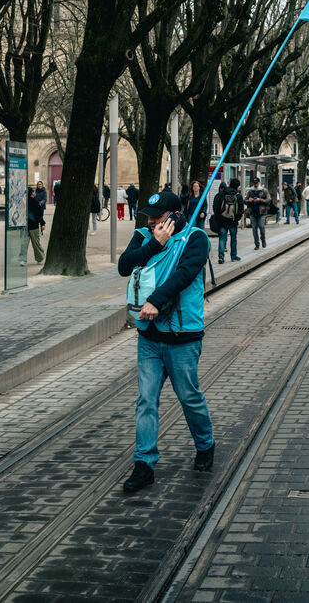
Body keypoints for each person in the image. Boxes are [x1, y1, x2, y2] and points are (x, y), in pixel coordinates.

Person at [117, 189, 215, 493]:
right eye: (148, 216)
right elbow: (124, 266)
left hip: (182, 336)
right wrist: (155, 243)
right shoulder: (144, 236)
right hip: (149, 337)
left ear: (174, 216)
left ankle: (205, 444)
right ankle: (144, 464)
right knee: (146, 400)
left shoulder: (195, 239)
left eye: (156, 217)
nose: (150, 222)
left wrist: (156, 301)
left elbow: (183, 275)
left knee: (188, 396)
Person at [213, 177, 243, 263]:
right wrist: (236, 219)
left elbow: (216, 206)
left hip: (222, 220)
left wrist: (218, 217)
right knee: (233, 239)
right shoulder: (238, 195)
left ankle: (221, 257)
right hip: (233, 221)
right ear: (237, 186)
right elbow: (240, 210)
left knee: (222, 238)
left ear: (229, 184)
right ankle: (233, 256)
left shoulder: (222, 193)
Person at [22, 181, 44, 265]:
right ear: (31, 193)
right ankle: (40, 258)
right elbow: (39, 215)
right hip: (34, 226)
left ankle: (22, 260)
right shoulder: (35, 202)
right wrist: (42, 224)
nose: (34, 193)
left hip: (25, 226)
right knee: (36, 244)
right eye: (33, 192)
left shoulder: (24, 202)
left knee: (24, 245)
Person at [245, 178, 270, 250]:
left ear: (259, 183)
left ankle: (263, 239)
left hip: (262, 212)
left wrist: (260, 200)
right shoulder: (250, 191)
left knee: (261, 227)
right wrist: (248, 200)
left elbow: (268, 200)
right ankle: (257, 244)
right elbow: (245, 200)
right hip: (253, 212)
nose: (255, 184)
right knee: (254, 229)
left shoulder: (264, 190)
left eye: (256, 183)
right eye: (254, 183)